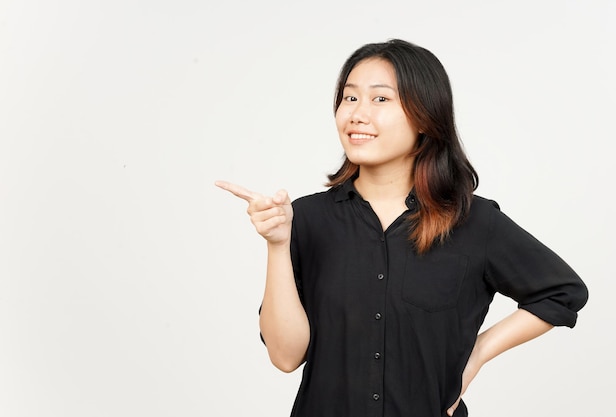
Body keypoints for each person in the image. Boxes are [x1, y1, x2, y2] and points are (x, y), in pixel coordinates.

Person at [215, 39, 588, 417]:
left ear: (425, 116)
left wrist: (475, 355)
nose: (357, 115)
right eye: (349, 98)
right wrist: (277, 245)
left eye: (380, 99)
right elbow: (285, 357)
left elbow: (561, 292)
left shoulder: (474, 222)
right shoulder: (306, 218)